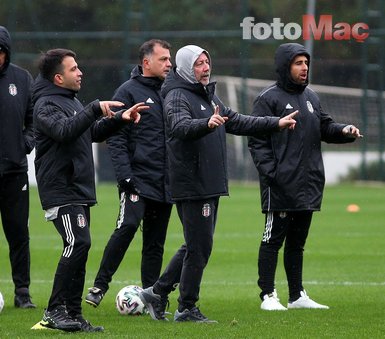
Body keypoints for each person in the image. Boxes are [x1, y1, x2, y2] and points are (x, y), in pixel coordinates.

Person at [138, 44, 298, 323]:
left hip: (208, 182)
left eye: (207, 62)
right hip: (192, 183)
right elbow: (178, 126)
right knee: (200, 248)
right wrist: (206, 124)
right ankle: (186, 308)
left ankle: (158, 292)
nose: (205, 68)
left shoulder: (206, 95)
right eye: (199, 64)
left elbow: (235, 121)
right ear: (187, 67)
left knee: (195, 245)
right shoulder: (177, 94)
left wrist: (276, 123)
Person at [31, 48, 148, 332]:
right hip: (61, 188)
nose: (80, 72)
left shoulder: (69, 101)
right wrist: (94, 108)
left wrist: (119, 119)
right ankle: (54, 311)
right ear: (58, 78)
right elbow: (64, 131)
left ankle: (73, 313)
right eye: (73, 69)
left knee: (81, 248)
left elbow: (89, 132)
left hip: (78, 188)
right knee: (77, 243)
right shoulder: (45, 105)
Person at [247, 43, 362, 311]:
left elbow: (325, 127)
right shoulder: (268, 99)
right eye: (298, 63)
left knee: (297, 243)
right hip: (280, 184)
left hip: (308, 182)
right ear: (285, 66)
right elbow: (257, 140)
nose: (304, 68)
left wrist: (344, 130)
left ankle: (297, 295)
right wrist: (271, 173)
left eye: (306, 63)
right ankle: (268, 295)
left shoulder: (311, 96)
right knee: (272, 239)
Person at [85, 39, 173, 307]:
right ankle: (99, 286)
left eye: (170, 59)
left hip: (165, 181)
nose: (169, 64)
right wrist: (125, 176)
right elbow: (116, 138)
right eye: (163, 59)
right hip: (137, 178)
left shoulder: (172, 91)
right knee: (127, 227)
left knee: (155, 243)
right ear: (146, 62)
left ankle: (151, 297)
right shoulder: (128, 92)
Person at [0, 26, 36, 309]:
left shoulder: (22, 78)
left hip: (14, 172)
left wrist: (26, 141)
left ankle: (22, 292)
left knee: (18, 233)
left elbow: (32, 118)